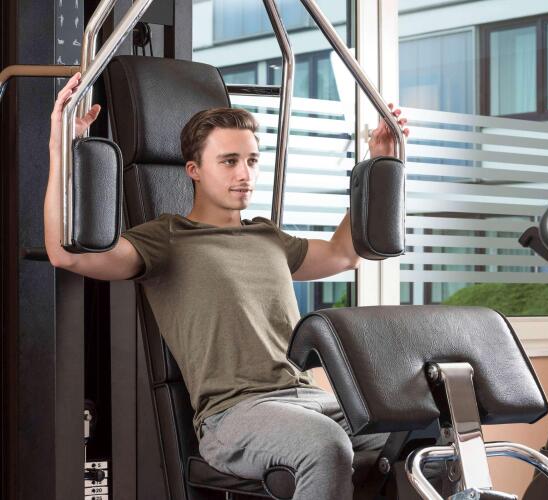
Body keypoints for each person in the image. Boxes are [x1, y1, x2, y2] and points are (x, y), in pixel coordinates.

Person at [45, 72, 409, 499]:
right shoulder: (168, 239)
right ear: (194, 170)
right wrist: (61, 147)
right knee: (324, 445)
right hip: (235, 415)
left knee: (417, 432)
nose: (244, 174)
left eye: (252, 161)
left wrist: (379, 160)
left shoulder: (268, 236)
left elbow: (344, 252)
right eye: (229, 161)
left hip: (310, 400)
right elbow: (67, 254)